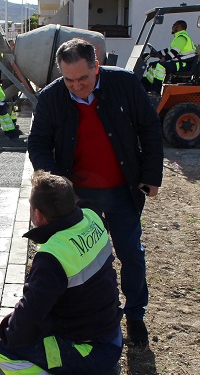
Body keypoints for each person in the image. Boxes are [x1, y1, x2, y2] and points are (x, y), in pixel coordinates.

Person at [27, 38, 164, 350]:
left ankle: (135, 314)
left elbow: (150, 128)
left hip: (121, 190)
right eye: (68, 80)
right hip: (77, 197)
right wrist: (58, 186)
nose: (76, 86)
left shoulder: (124, 84)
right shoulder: (51, 98)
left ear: (96, 66)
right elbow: (38, 144)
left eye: (83, 79)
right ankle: (78, 315)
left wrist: (151, 174)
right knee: (77, 257)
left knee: (130, 254)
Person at [0, 170, 123, 375]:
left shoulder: (52, 258)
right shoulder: (91, 217)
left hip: (90, 351)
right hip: (111, 337)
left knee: (1, 347)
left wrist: (2, 330)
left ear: (38, 215)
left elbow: (24, 327)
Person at [141, 20, 197, 93]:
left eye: (174, 25)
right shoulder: (177, 38)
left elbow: (174, 52)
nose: (172, 27)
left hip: (183, 64)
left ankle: (156, 90)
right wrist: (153, 54)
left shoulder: (182, 38)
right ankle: (145, 86)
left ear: (179, 27)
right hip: (179, 63)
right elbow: (167, 51)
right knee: (153, 65)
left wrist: (164, 59)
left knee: (160, 66)